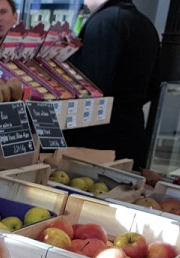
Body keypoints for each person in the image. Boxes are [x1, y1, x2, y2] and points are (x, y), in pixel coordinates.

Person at [63, 0, 160, 169]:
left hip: (99, 142)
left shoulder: (104, 21)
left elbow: (94, 89)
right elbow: (155, 84)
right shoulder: (146, 24)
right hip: (132, 132)